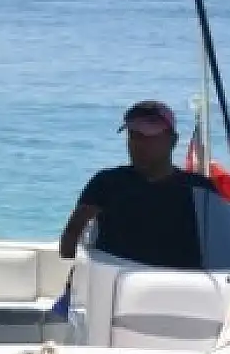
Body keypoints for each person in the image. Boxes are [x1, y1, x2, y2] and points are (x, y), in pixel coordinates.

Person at [57, 99, 217, 270]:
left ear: (173, 141)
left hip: (180, 286)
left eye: (149, 137)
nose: (138, 145)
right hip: (113, 285)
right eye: (134, 136)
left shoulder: (200, 189)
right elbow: (71, 234)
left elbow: (222, 243)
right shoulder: (107, 183)